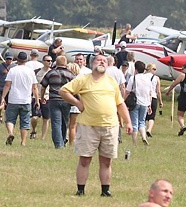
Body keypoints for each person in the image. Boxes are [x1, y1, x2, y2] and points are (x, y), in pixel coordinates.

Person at [60, 54, 133, 197]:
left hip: (110, 126)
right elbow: (63, 91)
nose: (102, 63)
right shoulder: (83, 80)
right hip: (88, 126)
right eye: (99, 60)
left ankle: (105, 191)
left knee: (106, 161)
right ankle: (80, 190)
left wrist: (128, 121)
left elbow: (120, 103)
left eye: (105, 61)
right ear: (92, 63)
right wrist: (77, 103)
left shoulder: (111, 81)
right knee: (85, 159)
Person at [0, 52, 39, 146]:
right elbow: (34, 87)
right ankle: (23, 142)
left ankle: (11, 133)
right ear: (26, 60)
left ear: (17, 60)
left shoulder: (13, 70)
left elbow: (7, 85)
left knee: (10, 119)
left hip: (13, 99)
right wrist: (37, 100)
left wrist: (3, 97)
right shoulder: (30, 71)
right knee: (25, 122)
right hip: (26, 100)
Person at [40, 55, 76, 149]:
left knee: (56, 122)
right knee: (65, 122)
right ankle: (63, 141)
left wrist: (42, 97)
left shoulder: (51, 73)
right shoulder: (71, 74)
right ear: (66, 63)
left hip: (53, 100)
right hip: (66, 100)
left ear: (56, 62)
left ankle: (58, 144)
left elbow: (43, 87)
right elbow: (75, 88)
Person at [124, 61, 154, 146]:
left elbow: (127, 91)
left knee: (134, 123)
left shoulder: (133, 78)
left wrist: (122, 101)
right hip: (145, 102)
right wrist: (150, 105)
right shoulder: (147, 79)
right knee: (142, 122)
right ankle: (144, 137)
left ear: (135, 69)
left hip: (135, 102)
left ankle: (135, 143)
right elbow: (150, 93)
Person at [163, 63, 186, 136]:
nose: (182, 70)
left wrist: (168, 91)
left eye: (182, 69)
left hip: (183, 97)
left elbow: (174, 84)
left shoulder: (182, 75)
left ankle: (183, 126)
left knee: (180, 115)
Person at [32, 54, 54, 140]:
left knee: (46, 118)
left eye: (51, 61)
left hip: (47, 97)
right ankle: (33, 130)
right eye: (48, 61)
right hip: (36, 97)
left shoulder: (53, 72)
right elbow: (33, 85)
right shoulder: (37, 71)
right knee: (34, 117)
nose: (50, 62)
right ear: (43, 62)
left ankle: (43, 137)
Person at [144, 63, 162, 138]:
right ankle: (149, 129)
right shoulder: (156, 78)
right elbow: (158, 91)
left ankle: (142, 129)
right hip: (153, 97)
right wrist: (160, 101)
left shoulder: (143, 76)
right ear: (150, 69)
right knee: (152, 116)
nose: (155, 70)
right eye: (154, 69)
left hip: (145, 97)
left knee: (143, 115)